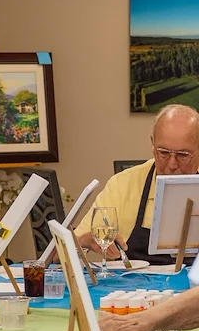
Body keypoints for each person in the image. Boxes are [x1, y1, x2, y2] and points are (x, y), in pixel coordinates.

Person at [75, 103, 199, 264]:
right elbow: (59, 255)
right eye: (163, 153)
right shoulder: (123, 184)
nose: (172, 164)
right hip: (134, 288)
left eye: (183, 155)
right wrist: (85, 241)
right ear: (152, 145)